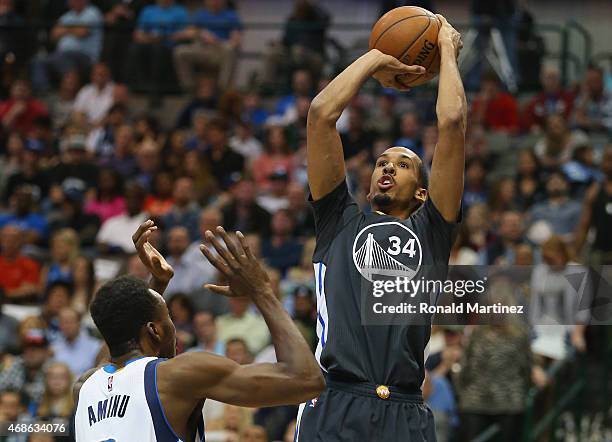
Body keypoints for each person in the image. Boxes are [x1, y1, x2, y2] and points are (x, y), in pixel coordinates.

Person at [295, 15, 465, 441]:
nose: (388, 167)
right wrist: (374, 58)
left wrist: (445, 51)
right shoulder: (338, 219)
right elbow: (320, 115)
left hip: (405, 410)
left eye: (403, 164)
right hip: (334, 399)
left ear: (423, 193)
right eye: (382, 162)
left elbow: (452, 125)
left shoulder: (433, 229)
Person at [73, 220, 324, 441]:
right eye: (168, 317)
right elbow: (306, 380)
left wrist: (157, 285)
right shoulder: (181, 374)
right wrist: (261, 291)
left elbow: (125, 351)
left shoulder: (84, 388)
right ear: (154, 330)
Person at [30, 0, 103, 93]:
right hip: (61, 55)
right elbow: (53, 34)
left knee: (63, 58)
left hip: (85, 57)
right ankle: (44, 92)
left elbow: (82, 32)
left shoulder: (92, 12)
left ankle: (72, 94)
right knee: (38, 61)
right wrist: (73, 29)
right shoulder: (67, 15)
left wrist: (65, 29)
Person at [173, 0, 242, 91]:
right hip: (202, 49)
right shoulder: (200, 15)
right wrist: (200, 33)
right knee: (180, 51)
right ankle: (188, 87)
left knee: (229, 49)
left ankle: (222, 88)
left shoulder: (231, 16)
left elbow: (236, 42)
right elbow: (187, 32)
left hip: (220, 50)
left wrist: (216, 41)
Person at [575, 147, 612, 264]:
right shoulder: (594, 191)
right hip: (601, 254)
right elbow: (584, 226)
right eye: (607, 160)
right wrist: (575, 254)